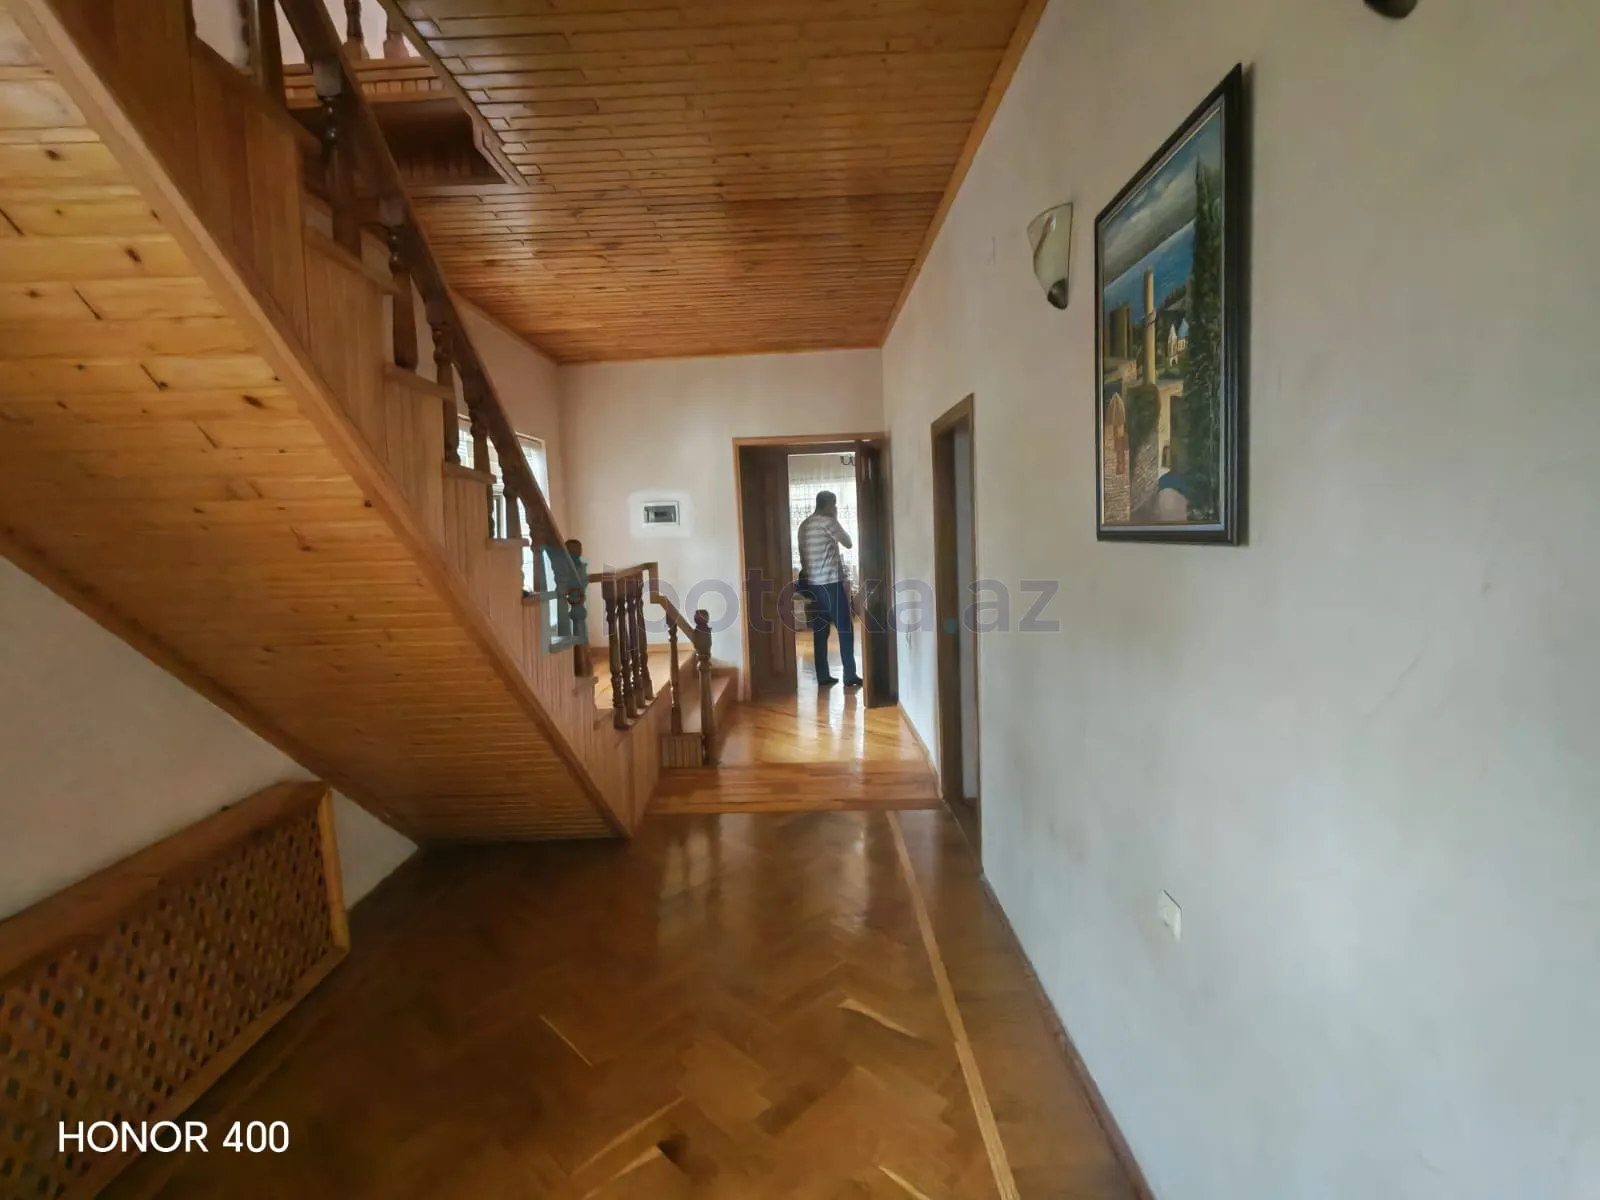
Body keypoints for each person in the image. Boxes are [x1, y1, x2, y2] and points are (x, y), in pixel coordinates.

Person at [796, 490, 861, 689]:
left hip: (813, 585)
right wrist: (835, 519)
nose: (835, 508)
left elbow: (802, 556)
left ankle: (823, 675)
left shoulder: (804, 525)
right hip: (830, 583)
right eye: (834, 505)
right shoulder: (828, 521)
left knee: (820, 630)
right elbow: (848, 543)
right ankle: (850, 675)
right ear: (829, 505)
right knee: (845, 627)